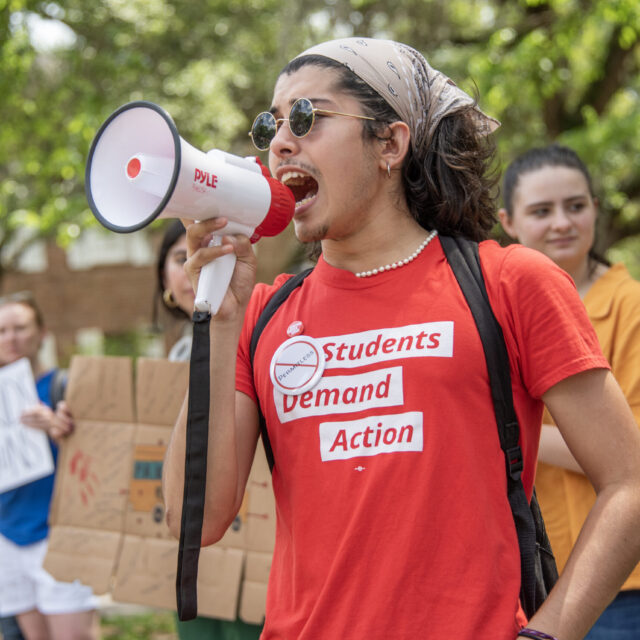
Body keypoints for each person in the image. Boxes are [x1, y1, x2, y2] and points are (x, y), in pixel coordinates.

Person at [162, 38, 640, 640]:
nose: (281, 142)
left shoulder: (510, 282)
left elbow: (630, 485)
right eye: (271, 125)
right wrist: (220, 324)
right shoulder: (259, 314)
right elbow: (192, 519)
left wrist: (546, 636)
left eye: (307, 117)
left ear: (390, 143)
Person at [499, 144, 640, 639]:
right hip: (530, 577)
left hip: (618, 582)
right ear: (508, 222)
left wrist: (497, 435)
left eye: (576, 206)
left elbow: (629, 452)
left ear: (596, 211)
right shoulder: (498, 307)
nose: (562, 222)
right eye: (541, 211)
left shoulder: (630, 307)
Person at [156, 221, 263, 640]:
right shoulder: (177, 353)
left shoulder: (254, 326)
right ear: (164, 275)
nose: (196, 265)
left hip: (253, 548)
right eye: (182, 258)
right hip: (196, 550)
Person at [0, 292, 98, 640]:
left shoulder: (65, 387)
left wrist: (60, 432)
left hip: (57, 533)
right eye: (2, 330)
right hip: (8, 535)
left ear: (41, 333)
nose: (10, 338)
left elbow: (101, 459)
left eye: (20, 328)